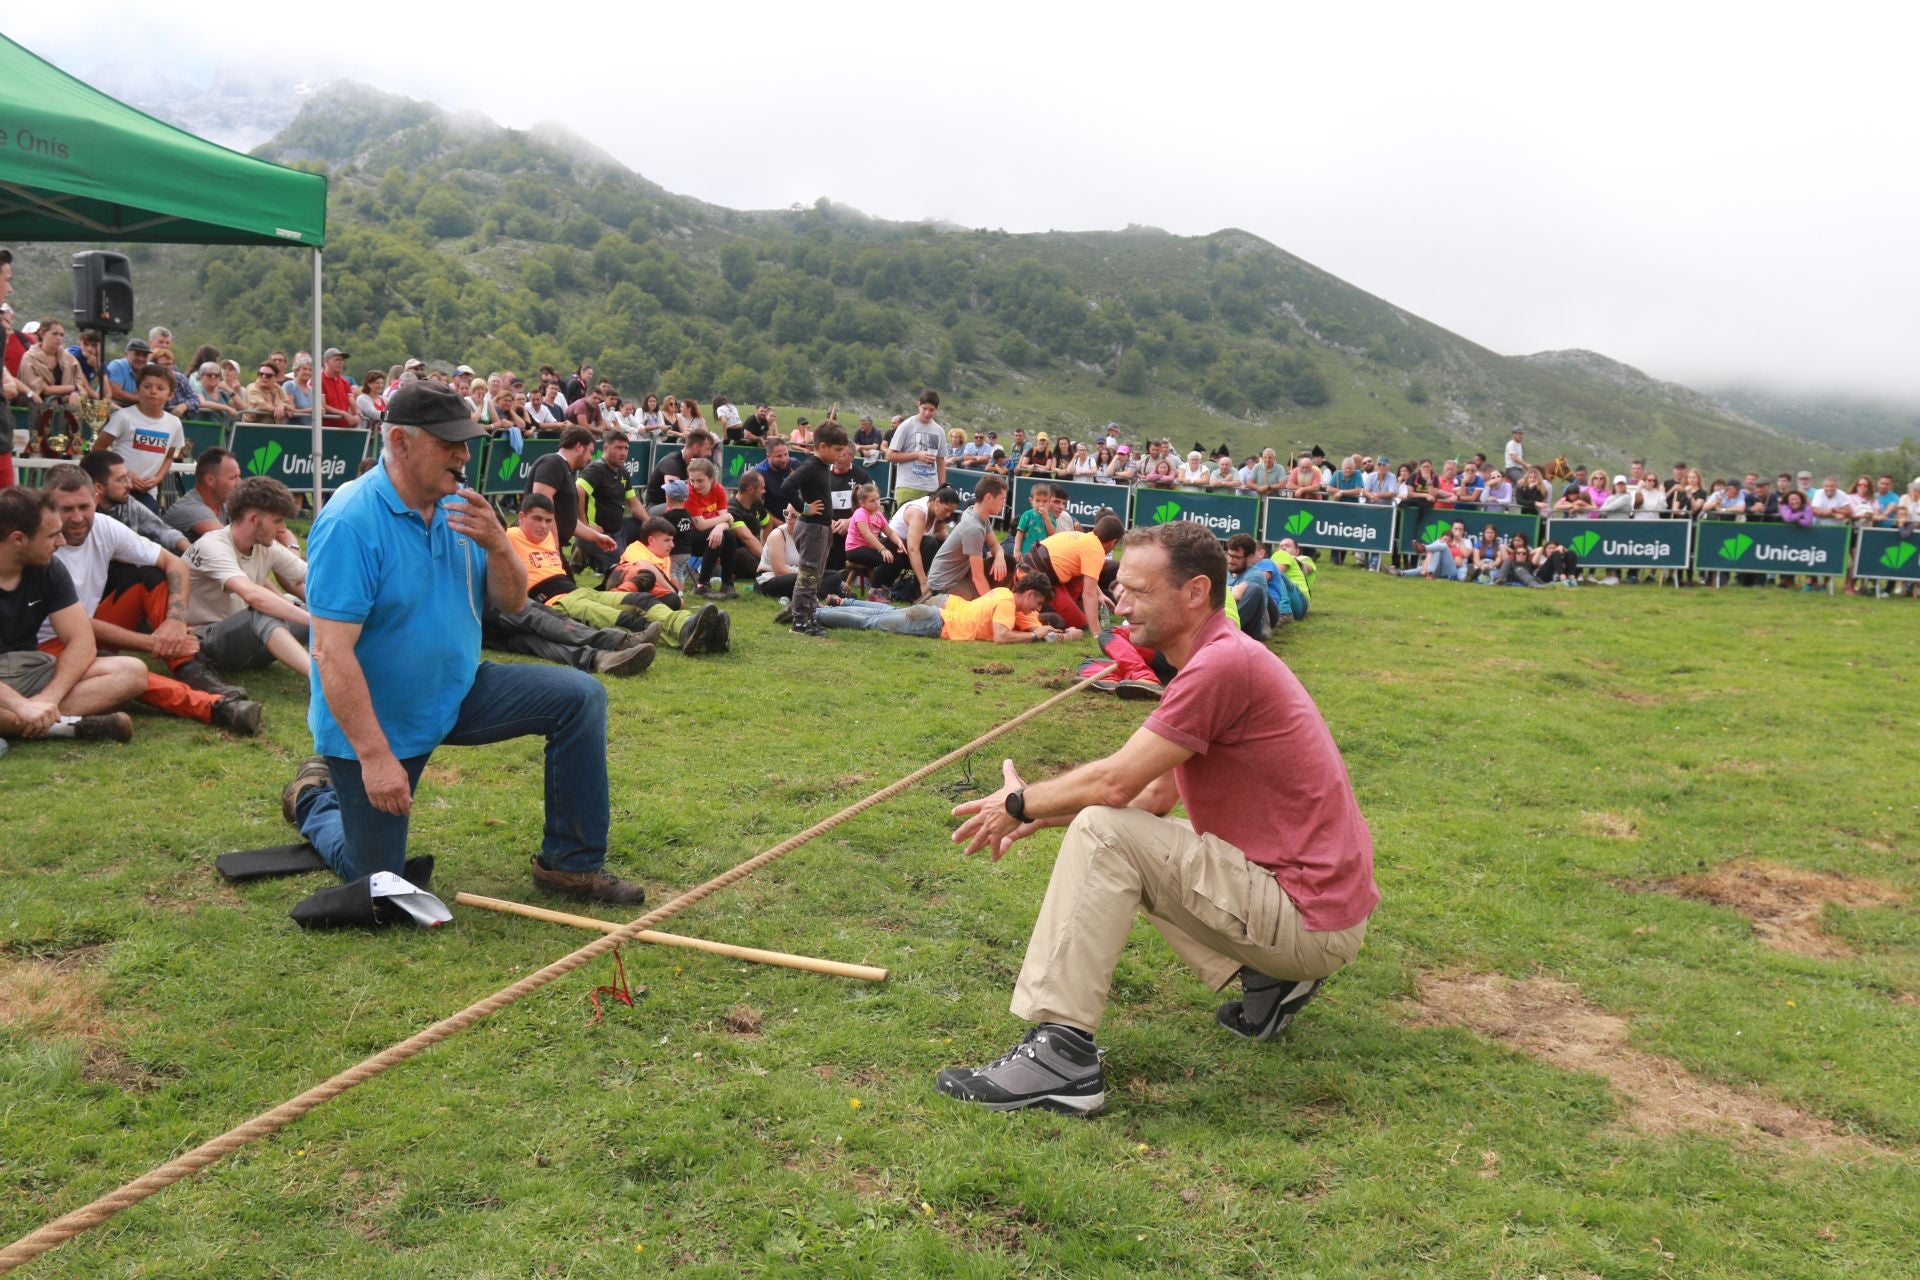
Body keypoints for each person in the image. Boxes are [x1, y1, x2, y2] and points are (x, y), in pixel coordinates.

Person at [937, 522, 1378, 1114]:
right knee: (1116, 833)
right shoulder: (1215, 657)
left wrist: (1019, 802)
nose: (1121, 601)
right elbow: (1150, 801)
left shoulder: (1221, 666)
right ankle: (1270, 983)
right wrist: (1045, 817)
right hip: (1316, 915)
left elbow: (1117, 782)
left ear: (1196, 592)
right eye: (1121, 587)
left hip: (1306, 919)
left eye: (1140, 591)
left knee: (1103, 832)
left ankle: (1062, 1059)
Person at [279, 382, 647, 903]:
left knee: (581, 698)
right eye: (448, 442)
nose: (464, 455)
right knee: (380, 881)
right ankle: (315, 798)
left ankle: (570, 866)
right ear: (401, 443)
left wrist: (499, 545)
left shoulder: (462, 508)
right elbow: (329, 653)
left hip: (458, 690)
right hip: (378, 719)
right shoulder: (349, 522)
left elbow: (516, 602)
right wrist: (375, 757)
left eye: (466, 441)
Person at [36, 463, 261, 733]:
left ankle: (191, 669)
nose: (77, 517)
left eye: (83, 507)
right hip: (52, 643)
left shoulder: (104, 526)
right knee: (134, 675)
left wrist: (176, 622)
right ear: (46, 507)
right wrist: (153, 643)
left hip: (84, 630)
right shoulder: (38, 548)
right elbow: (74, 624)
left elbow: (174, 563)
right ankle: (213, 706)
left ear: (96, 498)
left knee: (151, 574)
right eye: (66, 509)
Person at [0, 486, 146, 744]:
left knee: (132, 671)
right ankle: (65, 726)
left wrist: (49, 698)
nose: (62, 542)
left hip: (30, 669)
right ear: (18, 539)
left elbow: (82, 641)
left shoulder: (49, 568)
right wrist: (20, 705)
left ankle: (29, 721)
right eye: (53, 535)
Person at [183, 477, 312, 677]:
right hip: (202, 644)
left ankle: (357, 668)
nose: (282, 530)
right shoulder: (213, 546)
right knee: (263, 611)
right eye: (277, 520)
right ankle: (323, 681)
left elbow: (313, 577)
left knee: (324, 610)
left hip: (248, 642)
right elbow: (253, 596)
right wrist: (313, 620)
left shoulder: (266, 546)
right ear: (253, 519)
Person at [780, 422, 870, 636]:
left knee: (817, 576)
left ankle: (810, 617)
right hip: (811, 528)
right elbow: (787, 486)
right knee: (809, 576)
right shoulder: (811, 465)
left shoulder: (821, 467)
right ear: (822, 446)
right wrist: (804, 507)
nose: (840, 455)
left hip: (821, 528)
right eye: (837, 450)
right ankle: (799, 622)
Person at [815, 572, 1080, 643]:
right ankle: (813, 613)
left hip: (936, 614)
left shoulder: (1002, 592)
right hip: (935, 623)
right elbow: (1001, 636)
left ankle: (828, 607)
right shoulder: (1007, 604)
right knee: (869, 622)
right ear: (1030, 593)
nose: (1036, 608)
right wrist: (1035, 634)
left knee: (879, 613)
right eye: (1038, 602)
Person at [608, 516, 729, 654]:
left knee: (670, 605)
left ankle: (707, 635)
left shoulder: (664, 558)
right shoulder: (636, 548)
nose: (672, 545)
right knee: (660, 590)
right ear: (651, 540)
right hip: (626, 590)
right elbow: (645, 568)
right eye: (667, 540)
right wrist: (673, 591)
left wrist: (676, 594)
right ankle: (700, 631)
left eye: (672, 540)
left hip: (646, 599)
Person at [95, 366, 185, 513]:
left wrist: (158, 478)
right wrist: (126, 474)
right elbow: (98, 449)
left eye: (160, 388)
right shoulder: (123, 416)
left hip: (147, 492)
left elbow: (169, 457)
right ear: (138, 390)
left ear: (170, 395)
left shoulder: (174, 423)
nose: (153, 391)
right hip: (117, 488)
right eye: (147, 386)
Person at [526, 426, 616, 564]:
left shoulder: (565, 469)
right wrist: (553, 546)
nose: (590, 458)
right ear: (579, 446)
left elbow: (570, 521)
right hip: (539, 549)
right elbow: (541, 508)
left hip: (551, 548)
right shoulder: (553, 463)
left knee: (569, 585)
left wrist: (596, 537)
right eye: (590, 452)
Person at [77, 451, 190, 556]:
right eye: (121, 479)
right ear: (99, 487)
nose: (130, 485)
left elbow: (163, 532)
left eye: (128, 477)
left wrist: (190, 551)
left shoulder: (128, 505)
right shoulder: (78, 515)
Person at [1029, 518, 1123, 631]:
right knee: (1081, 625)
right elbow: (1089, 594)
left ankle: (1057, 610)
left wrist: (1100, 595)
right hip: (1039, 579)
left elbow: (1088, 577)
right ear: (1113, 542)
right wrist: (1097, 633)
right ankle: (1036, 617)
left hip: (1034, 570)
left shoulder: (1082, 537)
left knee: (1079, 578)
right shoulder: (1095, 550)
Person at [926, 474, 1010, 602]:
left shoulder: (977, 513)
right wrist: (992, 605)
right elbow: (978, 577)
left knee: (1007, 564)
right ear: (988, 497)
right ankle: (934, 601)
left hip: (958, 576)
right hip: (944, 584)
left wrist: (999, 556)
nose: (1004, 504)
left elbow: (994, 546)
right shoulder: (974, 528)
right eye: (1002, 499)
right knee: (983, 608)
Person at [575, 433, 644, 566]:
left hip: (618, 531)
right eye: (618, 448)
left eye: (626, 448)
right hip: (599, 534)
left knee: (646, 528)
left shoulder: (622, 471)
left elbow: (634, 503)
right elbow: (578, 490)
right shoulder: (596, 469)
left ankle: (582, 556)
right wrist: (585, 526)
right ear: (606, 448)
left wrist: (650, 523)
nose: (623, 453)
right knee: (623, 568)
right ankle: (585, 551)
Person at [684, 457, 741, 599]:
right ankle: (702, 585)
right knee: (717, 537)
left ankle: (727, 584)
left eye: (700, 480)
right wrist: (726, 519)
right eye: (692, 480)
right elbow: (700, 525)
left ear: (711, 478)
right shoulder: (689, 493)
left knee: (729, 536)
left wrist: (720, 527)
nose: (695, 485)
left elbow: (726, 521)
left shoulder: (718, 489)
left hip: (708, 533)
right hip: (685, 535)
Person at [888, 485, 957, 601]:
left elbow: (939, 531)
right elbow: (913, 549)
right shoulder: (918, 513)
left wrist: (953, 541)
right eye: (946, 510)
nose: (948, 515)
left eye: (951, 512)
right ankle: (918, 590)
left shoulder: (936, 511)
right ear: (937, 501)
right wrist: (923, 583)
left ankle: (939, 586)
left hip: (907, 549)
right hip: (891, 548)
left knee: (943, 545)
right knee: (930, 543)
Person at [843, 481, 907, 598]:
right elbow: (867, 534)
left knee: (897, 559)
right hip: (855, 550)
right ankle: (875, 593)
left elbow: (890, 532)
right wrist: (883, 550)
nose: (877, 503)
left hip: (868, 548)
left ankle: (886, 589)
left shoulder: (878, 514)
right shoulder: (860, 513)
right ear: (862, 503)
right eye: (872, 501)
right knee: (886, 559)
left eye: (877, 499)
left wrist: (899, 542)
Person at [164, 447, 241, 542]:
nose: (239, 483)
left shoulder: (223, 504)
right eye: (233, 478)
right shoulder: (191, 509)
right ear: (210, 480)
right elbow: (232, 542)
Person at [888, 390, 950, 504]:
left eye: (931, 410)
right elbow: (890, 455)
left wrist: (942, 488)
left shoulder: (939, 430)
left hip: (931, 489)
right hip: (908, 486)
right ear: (918, 405)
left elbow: (941, 462)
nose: (927, 413)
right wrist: (916, 455)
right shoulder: (906, 425)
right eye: (924, 408)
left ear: (937, 409)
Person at [645, 427, 715, 506]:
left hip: (678, 506)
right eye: (708, 449)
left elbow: (710, 493)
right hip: (658, 507)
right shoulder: (672, 463)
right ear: (695, 447)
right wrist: (693, 477)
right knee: (684, 508)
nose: (710, 454)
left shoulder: (698, 465)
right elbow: (674, 496)